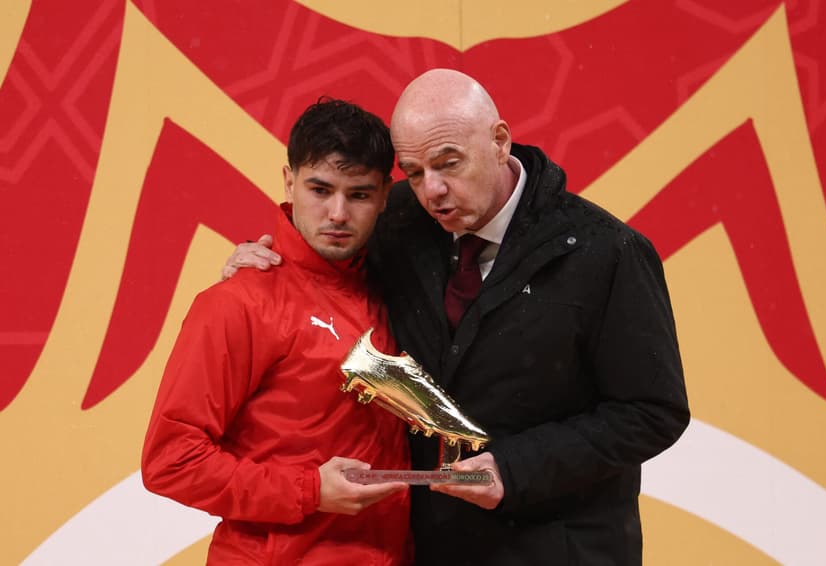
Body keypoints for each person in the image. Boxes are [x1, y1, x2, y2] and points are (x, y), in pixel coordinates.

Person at [224, 69, 690, 565]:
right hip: (431, 547)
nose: (433, 191)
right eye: (414, 172)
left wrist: (516, 469)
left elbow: (652, 411)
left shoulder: (608, 252)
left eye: (449, 164)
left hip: (562, 548)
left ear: (499, 142)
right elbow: (324, 262)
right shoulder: (398, 220)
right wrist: (263, 261)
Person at [141, 98, 413, 565]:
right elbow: (171, 460)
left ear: (386, 195)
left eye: (359, 195)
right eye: (320, 189)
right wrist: (308, 490)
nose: (338, 213)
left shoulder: (396, 288)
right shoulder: (238, 303)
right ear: (289, 181)